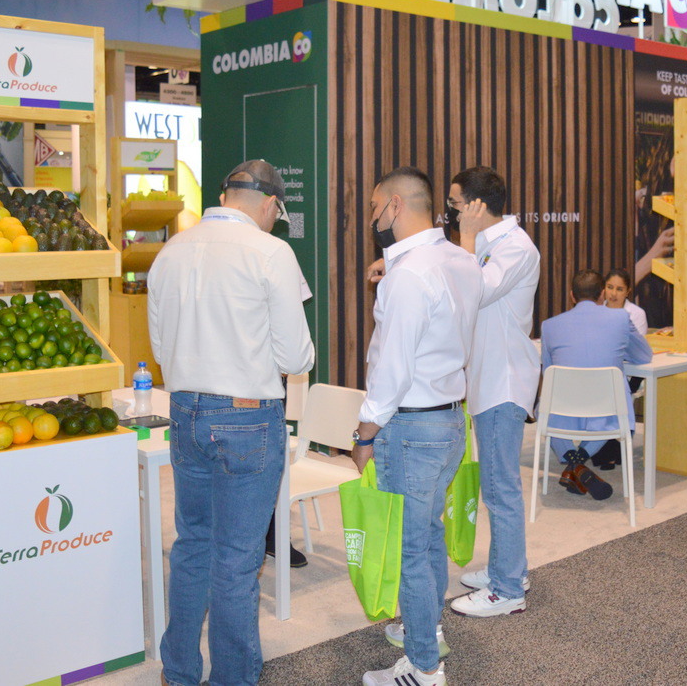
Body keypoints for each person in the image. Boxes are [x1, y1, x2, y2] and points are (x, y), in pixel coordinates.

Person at [147, 160, 315, 686]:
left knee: (192, 545)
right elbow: (297, 356)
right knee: (238, 560)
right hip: (247, 418)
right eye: (277, 213)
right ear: (269, 204)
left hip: (185, 411)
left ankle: (178, 672)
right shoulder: (271, 252)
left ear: (225, 196)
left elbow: (160, 350)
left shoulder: (170, 251)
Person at [354, 167, 480, 686]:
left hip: (410, 428)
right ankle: (425, 633)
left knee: (410, 549)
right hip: (449, 418)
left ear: (394, 206)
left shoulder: (408, 276)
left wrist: (364, 432)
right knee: (427, 537)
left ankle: (425, 668)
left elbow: (394, 368)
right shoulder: (460, 260)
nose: (372, 218)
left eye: (374, 208)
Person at [439, 167, 540, 621]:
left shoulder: (515, 247)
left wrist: (465, 237)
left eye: (456, 204)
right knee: (496, 485)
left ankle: (508, 588)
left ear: (477, 206)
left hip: (504, 382)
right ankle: (507, 568)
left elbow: (471, 291)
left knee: (501, 489)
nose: (451, 212)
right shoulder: (483, 244)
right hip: (486, 380)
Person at [540, 269, 653, 499]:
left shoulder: (549, 326)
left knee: (547, 404)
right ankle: (579, 464)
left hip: (563, 411)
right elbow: (643, 356)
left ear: (572, 295)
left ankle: (574, 465)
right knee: (614, 404)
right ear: (602, 293)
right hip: (607, 411)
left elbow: (547, 372)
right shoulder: (621, 319)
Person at [602, 268, 648, 336]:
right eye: (610, 287)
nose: (614, 293)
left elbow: (638, 342)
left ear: (627, 292)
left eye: (619, 289)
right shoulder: (596, 310)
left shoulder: (637, 314)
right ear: (604, 288)